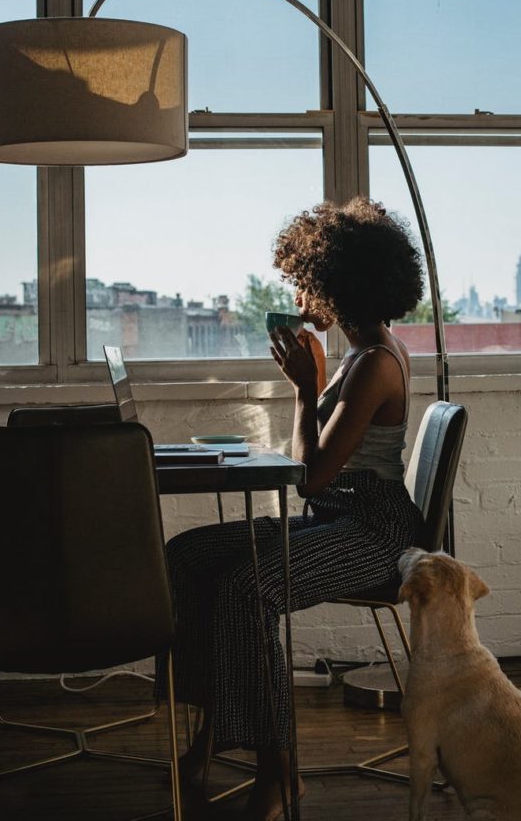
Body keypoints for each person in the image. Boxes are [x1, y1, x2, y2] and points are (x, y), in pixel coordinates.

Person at [163, 196, 425, 821]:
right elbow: (317, 470)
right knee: (186, 555)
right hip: (341, 517)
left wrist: (305, 390)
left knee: (247, 590)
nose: (296, 290)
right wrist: (311, 386)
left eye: (304, 280)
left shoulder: (376, 366)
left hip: (374, 533)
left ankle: (281, 772)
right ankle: (216, 728)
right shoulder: (360, 356)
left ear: (338, 288)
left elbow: (311, 477)